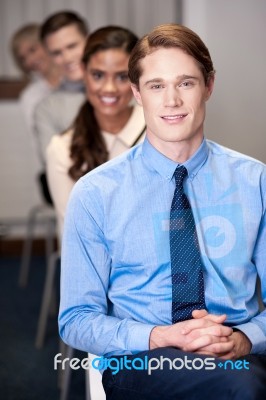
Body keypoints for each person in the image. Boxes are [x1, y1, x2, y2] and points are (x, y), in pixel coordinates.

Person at [59, 23, 266, 399]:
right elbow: (76, 320)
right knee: (241, 388)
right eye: (156, 86)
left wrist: (244, 339)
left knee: (242, 381)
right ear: (137, 93)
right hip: (143, 359)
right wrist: (160, 336)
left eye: (185, 83)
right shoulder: (96, 193)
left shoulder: (256, 182)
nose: (171, 101)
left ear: (209, 86)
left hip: (241, 353)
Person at [46, 26, 145, 236]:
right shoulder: (62, 148)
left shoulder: (161, 131)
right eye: (98, 75)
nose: (109, 88)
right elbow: (75, 236)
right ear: (83, 71)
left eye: (121, 77)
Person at [11, 23, 61, 203]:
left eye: (33, 49)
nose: (30, 60)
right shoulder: (30, 96)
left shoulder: (78, 79)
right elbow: (39, 145)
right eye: (23, 58)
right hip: (55, 168)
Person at [34, 11, 89, 168]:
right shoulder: (47, 108)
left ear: (89, 40)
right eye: (57, 53)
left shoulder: (125, 89)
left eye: (72, 46)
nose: (67, 58)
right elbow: (53, 165)